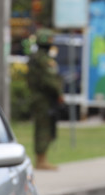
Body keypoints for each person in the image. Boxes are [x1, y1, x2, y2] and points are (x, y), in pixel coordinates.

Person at [27, 28, 63, 171]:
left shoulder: (35, 58)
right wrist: (59, 93)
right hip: (44, 99)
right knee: (44, 128)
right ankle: (41, 160)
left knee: (42, 127)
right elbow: (50, 81)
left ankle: (41, 158)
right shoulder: (43, 60)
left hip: (38, 98)